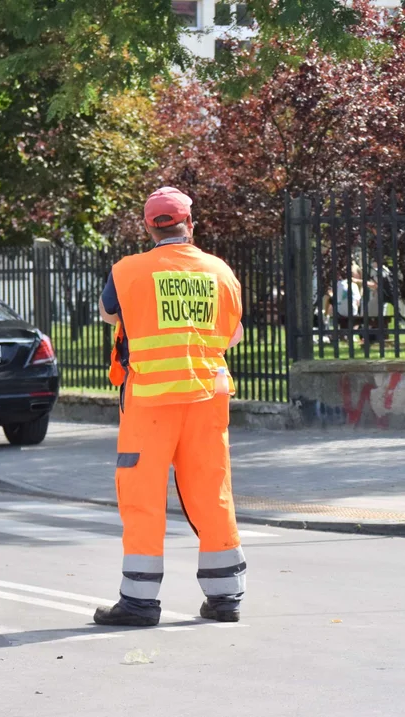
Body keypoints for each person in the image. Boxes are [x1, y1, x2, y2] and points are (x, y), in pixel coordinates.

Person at [95, 186, 247, 626]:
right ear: (190, 225)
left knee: (142, 497)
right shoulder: (220, 271)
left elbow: (109, 315)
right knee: (212, 492)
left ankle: (139, 603)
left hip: (150, 403)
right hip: (206, 399)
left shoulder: (129, 271)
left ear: (149, 226)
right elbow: (233, 335)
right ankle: (225, 598)